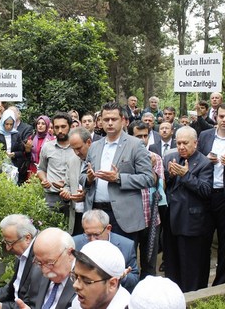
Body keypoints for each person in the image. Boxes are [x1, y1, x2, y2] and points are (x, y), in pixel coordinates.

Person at [81, 102, 154, 242]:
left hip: (124, 215)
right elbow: (82, 176)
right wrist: (89, 178)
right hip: (96, 212)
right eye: (106, 119)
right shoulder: (94, 146)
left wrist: (118, 178)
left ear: (123, 121)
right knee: (97, 259)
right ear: (100, 122)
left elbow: (148, 178)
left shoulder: (135, 144)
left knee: (123, 258)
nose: (109, 123)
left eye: (113, 119)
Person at [163, 126, 213, 292]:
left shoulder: (204, 163)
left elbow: (206, 191)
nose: (181, 147)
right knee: (171, 264)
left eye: (185, 143)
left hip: (191, 222)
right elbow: (165, 188)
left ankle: (191, 297)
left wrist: (186, 175)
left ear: (195, 143)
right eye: (178, 143)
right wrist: (170, 175)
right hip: (171, 220)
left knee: (191, 265)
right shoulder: (171, 158)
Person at [197, 102, 225, 285]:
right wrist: (205, 161)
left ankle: (221, 283)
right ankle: (199, 282)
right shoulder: (205, 135)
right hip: (205, 195)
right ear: (216, 117)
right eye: (221, 116)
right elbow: (195, 161)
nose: (224, 120)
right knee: (202, 241)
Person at [0, 214, 42, 309]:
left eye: (10, 243)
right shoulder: (23, 252)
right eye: (6, 242)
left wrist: (3, 307)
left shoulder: (40, 258)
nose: (7, 248)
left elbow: (32, 303)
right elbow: (13, 286)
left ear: (27, 238)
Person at [128, 120, 165, 279]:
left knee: (149, 262)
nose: (142, 140)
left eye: (145, 136)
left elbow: (159, 186)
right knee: (129, 261)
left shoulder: (155, 157)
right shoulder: (124, 157)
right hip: (129, 218)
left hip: (151, 216)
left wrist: (149, 167)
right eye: (138, 136)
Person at [72, 210, 139, 292]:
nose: (92, 240)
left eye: (96, 235)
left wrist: (122, 276)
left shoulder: (126, 245)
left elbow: (134, 279)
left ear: (108, 228)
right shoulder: (74, 243)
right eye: (88, 235)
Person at [16, 227, 77, 309]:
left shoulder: (85, 282)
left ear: (70, 254)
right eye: (39, 262)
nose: (45, 271)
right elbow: (28, 304)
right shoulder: (37, 273)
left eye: (50, 263)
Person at [70, 240, 130, 309]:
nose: (75, 285)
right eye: (75, 276)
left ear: (112, 284)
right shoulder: (78, 302)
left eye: (86, 280)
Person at [37, 112, 75, 213]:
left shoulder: (77, 147)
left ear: (70, 127)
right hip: (51, 196)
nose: (60, 131)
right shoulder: (47, 147)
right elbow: (41, 169)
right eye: (57, 127)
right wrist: (44, 180)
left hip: (72, 196)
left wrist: (67, 184)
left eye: (63, 127)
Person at [61, 127, 92, 235]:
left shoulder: (99, 160)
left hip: (93, 216)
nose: (76, 152)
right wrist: (66, 192)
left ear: (89, 142)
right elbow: (67, 184)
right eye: (73, 149)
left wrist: (85, 196)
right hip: (76, 216)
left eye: (79, 148)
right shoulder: (72, 161)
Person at [0, 109, 30, 185]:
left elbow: (21, 152)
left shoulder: (16, 134)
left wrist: (14, 154)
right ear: (3, 123)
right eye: (7, 124)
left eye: (11, 124)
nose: (9, 126)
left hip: (13, 166)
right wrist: (1, 154)